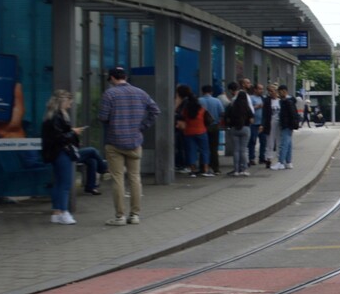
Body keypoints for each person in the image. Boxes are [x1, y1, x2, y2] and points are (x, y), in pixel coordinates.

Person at [98, 66, 161, 226]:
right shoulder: (140, 93)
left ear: (112, 78)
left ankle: (119, 216)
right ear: (125, 77)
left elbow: (103, 117)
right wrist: (142, 126)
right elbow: (155, 110)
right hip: (134, 141)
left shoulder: (109, 94)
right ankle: (135, 215)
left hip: (114, 141)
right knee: (135, 178)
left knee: (117, 178)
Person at [40, 90, 106, 224]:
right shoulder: (58, 117)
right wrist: (73, 132)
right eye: (69, 103)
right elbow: (60, 137)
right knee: (65, 183)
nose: (70, 106)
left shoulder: (50, 116)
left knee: (59, 182)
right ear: (63, 102)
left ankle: (56, 212)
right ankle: (64, 212)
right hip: (62, 152)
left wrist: (71, 132)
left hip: (55, 153)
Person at [175, 84, 214, 177]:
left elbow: (180, 116)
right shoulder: (201, 109)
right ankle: (205, 169)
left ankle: (193, 170)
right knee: (204, 150)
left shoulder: (186, 110)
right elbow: (207, 119)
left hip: (188, 132)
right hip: (201, 131)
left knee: (191, 151)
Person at [224, 84, 254, 176]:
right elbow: (252, 120)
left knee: (236, 150)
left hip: (234, 129)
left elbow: (227, 118)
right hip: (245, 129)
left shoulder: (231, 106)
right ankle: (243, 169)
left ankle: (236, 170)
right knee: (243, 150)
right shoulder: (247, 108)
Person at [198, 84, 224, 175]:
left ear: (202, 91)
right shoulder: (217, 101)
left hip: (202, 127)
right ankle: (215, 168)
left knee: (203, 148)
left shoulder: (199, 101)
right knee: (213, 148)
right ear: (211, 92)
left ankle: (203, 167)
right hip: (214, 126)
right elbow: (221, 113)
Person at [273, 85, 300, 169]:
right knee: (288, 143)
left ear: (284, 91)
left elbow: (290, 115)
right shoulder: (290, 101)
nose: (278, 94)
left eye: (279, 92)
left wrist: (287, 124)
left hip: (286, 125)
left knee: (284, 143)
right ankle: (288, 162)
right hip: (289, 125)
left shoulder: (286, 101)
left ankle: (280, 162)